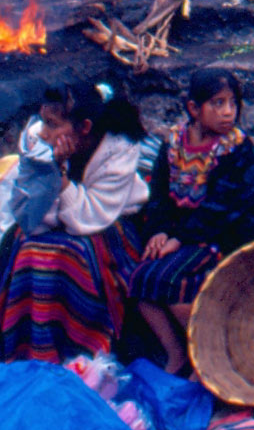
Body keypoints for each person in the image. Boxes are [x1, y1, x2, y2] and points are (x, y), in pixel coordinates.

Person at [0, 81, 148, 363]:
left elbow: (88, 219)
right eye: (43, 121)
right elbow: (30, 215)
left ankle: (81, 351)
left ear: (85, 128)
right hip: (56, 218)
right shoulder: (38, 139)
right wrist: (50, 167)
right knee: (25, 245)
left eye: (53, 125)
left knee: (71, 254)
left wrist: (63, 177)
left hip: (108, 220)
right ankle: (26, 349)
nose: (44, 132)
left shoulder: (119, 150)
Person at [130, 68, 254, 374]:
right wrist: (159, 231)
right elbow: (160, 193)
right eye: (217, 103)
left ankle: (209, 357)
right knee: (140, 279)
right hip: (181, 233)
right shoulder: (174, 144)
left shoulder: (238, 150)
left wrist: (179, 238)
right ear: (194, 108)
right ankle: (175, 353)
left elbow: (224, 207)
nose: (228, 112)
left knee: (175, 284)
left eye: (232, 103)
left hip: (221, 234)